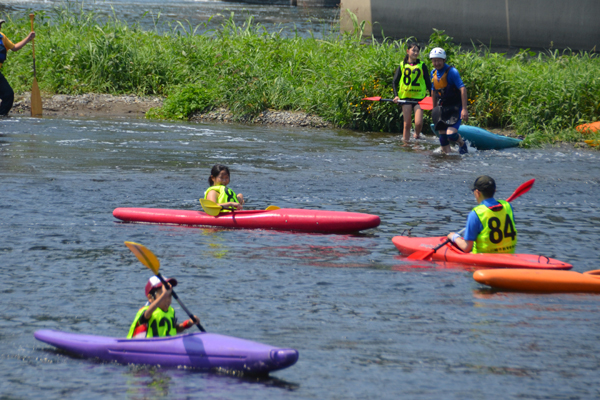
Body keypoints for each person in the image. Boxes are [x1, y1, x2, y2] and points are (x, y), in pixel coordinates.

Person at [447, 176, 517, 254]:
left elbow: (466, 247)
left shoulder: (476, 214)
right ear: (494, 190)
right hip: (509, 256)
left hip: (483, 260)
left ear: (477, 192)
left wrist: (454, 237)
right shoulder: (508, 206)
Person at [127, 276, 199, 339]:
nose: (167, 299)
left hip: (166, 349)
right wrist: (164, 294)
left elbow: (174, 328)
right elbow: (147, 314)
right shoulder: (146, 310)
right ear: (150, 298)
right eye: (163, 294)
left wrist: (188, 323)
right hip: (145, 350)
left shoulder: (171, 311)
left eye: (170, 295)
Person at [429, 47, 469, 154]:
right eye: (434, 60)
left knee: (450, 135)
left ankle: (461, 143)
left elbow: (462, 89)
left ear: (444, 60)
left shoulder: (452, 72)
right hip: (443, 107)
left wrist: (464, 109)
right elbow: (433, 92)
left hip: (455, 107)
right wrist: (434, 109)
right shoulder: (433, 73)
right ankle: (447, 163)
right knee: (442, 138)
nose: (436, 63)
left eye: (438, 60)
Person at [392, 43, 431, 143]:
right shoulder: (402, 65)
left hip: (419, 98)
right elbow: (394, 82)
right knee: (407, 124)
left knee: (418, 123)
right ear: (407, 51)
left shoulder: (422, 65)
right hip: (405, 97)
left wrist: (432, 97)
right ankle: (405, 143)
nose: (415, 52)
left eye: (417, 51)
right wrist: (396, 95)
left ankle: (417, 136)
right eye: (413, 50)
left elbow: (428, 82)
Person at [0, 20, 36, 116]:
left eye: (0, 25)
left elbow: (14, 47)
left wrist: (28, 38)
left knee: (8, 95)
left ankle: (1, 116)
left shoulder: (2, 37)